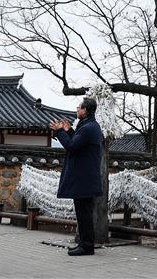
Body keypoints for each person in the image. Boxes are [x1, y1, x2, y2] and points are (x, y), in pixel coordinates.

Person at [49, 97, 104, 256]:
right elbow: (78, 142)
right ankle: (85, 244)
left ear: (85, 110)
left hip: (84, 179)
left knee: (84, 213)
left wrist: (59, 131)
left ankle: (87, 246)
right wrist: (69, 131)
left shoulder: (89, 127)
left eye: (79, 107)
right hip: (85, 178)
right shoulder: (89, 126)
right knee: (83, 213)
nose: (77, 109)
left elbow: (71, 146)